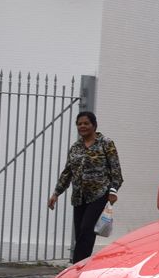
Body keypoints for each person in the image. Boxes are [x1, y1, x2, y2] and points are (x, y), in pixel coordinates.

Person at [48, 111, 123, 263]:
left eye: (86, 123)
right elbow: (68, 172)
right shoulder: (75, 147)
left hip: (99, 194)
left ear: (94, 125)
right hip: (79, 197)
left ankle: (76, 266)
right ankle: (82, 265)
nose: (82, 126)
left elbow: (116, 170)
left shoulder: (106, 143)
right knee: (80, 234)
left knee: (87, 229)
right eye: (79, 124)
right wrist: (56, 193)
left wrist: (113, 190)